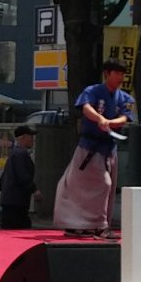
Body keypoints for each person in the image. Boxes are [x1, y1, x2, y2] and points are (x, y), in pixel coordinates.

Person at [51, 59, 135, 238]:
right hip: (88, 147)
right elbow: (86, 108)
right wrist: (99, 118)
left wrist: (109, 122)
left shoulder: (125, 98)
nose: (120, 77)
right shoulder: (93, 91)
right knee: (98, 184)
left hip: (108, 148)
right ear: (107, 73)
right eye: (116, 73)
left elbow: (125, 118)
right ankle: (93, 226)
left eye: (122, 74)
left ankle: (90, 225)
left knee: (106, 187)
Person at [0, 125, 39, 229]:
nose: (33, 140)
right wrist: (34, 190)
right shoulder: (21, 154)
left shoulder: (14, 153)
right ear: (23, 138)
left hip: (10, 200)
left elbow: (2, 179)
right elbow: (22, 175)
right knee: (20, 228)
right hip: (16, 201)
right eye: (31, 137)